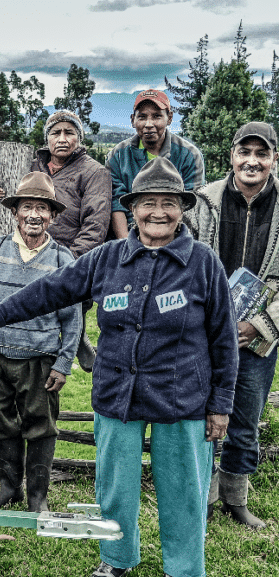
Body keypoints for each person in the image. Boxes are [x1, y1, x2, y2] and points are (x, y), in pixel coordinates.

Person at [0, 158, 238, 577]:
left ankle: (181, 570)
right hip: (116, 393)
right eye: (148, 204)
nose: (158, 213)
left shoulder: (203, 264)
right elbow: (46, 291)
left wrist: (221, 403)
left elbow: (224, 339)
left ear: (182, 209)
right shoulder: (108, 257)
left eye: (169, 203)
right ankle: (117, 555)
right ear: (134, 208)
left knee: (183, 485)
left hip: (182, 395)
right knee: (115, 482)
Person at [185, 121, 279, 529]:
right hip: (205, 331)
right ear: (231, 156)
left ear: (274, 159)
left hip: (260, 336)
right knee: (203, 414)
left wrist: (259, 325)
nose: (252, 161)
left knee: (245, 418)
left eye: (262, 154)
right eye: (245, 152)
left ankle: (235, 499)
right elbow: (182, 259)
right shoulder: (203, 202)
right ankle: (202, 496)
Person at [0, 172, 81, 511]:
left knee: (40, 424)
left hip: (40, 358)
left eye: (42, 208)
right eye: (27, 207)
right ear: (15, 212)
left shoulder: (63, 259)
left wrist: (63, 363)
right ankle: (10, 488)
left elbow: (73, 317)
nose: (34, 215)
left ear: (53, 215)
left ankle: (38, 496)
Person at [31, 110, 112, 372]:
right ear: (47, 139)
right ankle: (74, 339)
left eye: (70, 132)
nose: (62, 138)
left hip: (72, 257)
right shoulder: (35, 167)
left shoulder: (93, 172)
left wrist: (69, 261)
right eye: (56, 133)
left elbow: (95, 225)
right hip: (33, 251)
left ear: (79, 137)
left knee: (63, 302)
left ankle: (74, 339)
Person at [106, 89, 205, 239]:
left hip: (174, 234)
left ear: (169, 118)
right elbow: (116, 203)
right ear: (133, 120)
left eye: (157, 116)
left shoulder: (189, 155)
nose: (149, 124)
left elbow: (192, 206)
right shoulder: (118, 155)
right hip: (128, 234)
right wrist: (127, 246)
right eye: (142, 117)